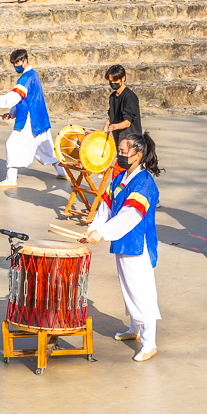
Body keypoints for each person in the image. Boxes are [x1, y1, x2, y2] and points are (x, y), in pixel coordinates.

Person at [81, 132, 162, 362]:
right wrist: (93, 229)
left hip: (138, 244)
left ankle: (149, 343)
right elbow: (105, 207)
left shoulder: (144, 182)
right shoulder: (119, 178)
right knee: (128, 288)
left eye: (124, 152)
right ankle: (134, 329)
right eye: (120, 151)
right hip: (122, 241)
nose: (120, 155)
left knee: (141, 292)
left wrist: (102, 233)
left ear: (138, 155)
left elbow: (129, 216)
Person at [0, 48, 66, 186]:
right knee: (46, 148)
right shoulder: (33, 75)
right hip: (40, 118)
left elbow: (13, 98)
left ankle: (11, 178)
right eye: (14, 63)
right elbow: (23, 99)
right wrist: (12, 113)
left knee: (12, 144)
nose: (16, 66)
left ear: (25, 61)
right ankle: (63, 173)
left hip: (30, 120)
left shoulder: (26, 78)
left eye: (18, 62)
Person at [104, 64, 142, 147]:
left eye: (115, 80)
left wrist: (114, 127)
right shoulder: (112, 97)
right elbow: (112, 115)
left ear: (123, 78)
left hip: (131, 141)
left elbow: (128, 122)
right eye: (111, 81)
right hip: (120, 140)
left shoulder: (130, 97)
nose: (113, 83)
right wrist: (106, 126)